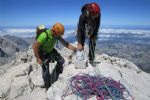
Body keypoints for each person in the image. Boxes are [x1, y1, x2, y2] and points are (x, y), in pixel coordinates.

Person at [32, 23, 77, 89]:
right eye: (59, 34)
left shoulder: (56, 35)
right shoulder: (44, 36)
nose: (59, 36)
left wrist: (75, 49)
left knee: (61, 61)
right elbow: (35, 46)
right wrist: (38, 58)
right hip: (43, 54)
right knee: (46, 72)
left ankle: (57, 72)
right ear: (55, 32)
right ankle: (48, 87)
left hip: (50, 51)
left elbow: (65, 43)